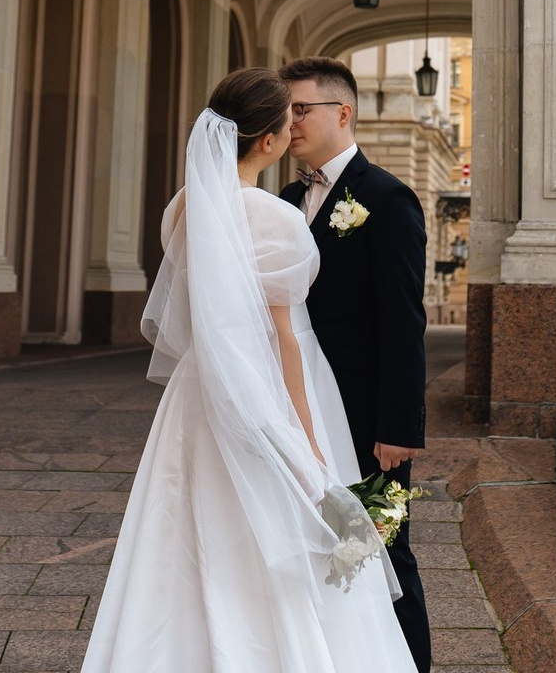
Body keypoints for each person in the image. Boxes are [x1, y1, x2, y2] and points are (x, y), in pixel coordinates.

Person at [81, 68, 416, 673]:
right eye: (286, 119)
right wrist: (310, 446)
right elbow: (285, 340)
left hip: (199, 393)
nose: (294, 127)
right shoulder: (277, 216)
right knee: (291, 532)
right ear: (267, 141)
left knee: (184, 531)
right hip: (273, 389)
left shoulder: (182, 209)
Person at [278, 56, 431, 673]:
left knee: (384, 550)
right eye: (284, 111)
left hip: (368, 419)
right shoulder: (289, 199)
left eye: (300, 110)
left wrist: (400, 427)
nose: (288, 123)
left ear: (342, 113)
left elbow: (404, 322)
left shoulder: (387, 198)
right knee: (314, 550)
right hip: (299, 411)